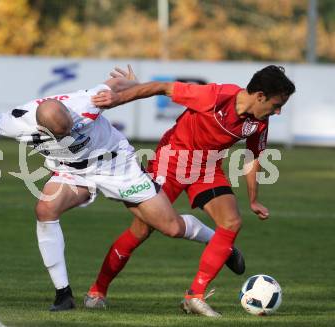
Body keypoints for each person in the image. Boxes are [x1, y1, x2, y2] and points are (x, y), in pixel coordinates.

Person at [0, 66, 241, 312]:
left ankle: (219, 244)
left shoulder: (84, 103)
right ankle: (63, 294)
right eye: (61, 133)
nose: (69, 135)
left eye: (70, 129)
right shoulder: (18, 120)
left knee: (170, 227)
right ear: (42, 126)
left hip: (117, 166)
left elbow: (114, 84)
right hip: (72, 173)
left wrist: (127, 81)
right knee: (45, 208)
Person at [87, 65, 295, 317]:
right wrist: (118, 98)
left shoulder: (259, 122)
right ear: (260, 96)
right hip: (171, 161)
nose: (278, 111)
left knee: (231, 222)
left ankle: (194, 296)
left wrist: (254, 199)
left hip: (207, 168)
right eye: (276, 104)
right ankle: (97, 291)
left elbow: (252, 157)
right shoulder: (216, 96)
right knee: (141, 229)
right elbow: (162, 87)